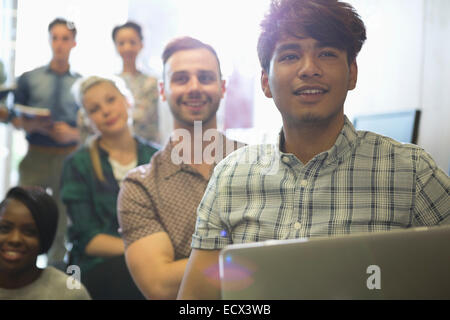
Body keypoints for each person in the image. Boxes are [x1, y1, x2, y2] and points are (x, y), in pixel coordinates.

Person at [177, 0, 450, 299]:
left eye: (327, 53)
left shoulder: (411, 172)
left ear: (352, 73)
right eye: (291, 55)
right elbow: (196, 300)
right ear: (266, 82)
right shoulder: (229, 177)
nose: (309, 69)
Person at [117, 36, 244, 299]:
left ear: (222, 87)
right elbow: (161, 286)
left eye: (206, 78)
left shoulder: (257, 163)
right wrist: (255, 252)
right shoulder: (140, 187)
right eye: (181, 78)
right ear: (163, 90)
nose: (194, 87)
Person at [60, 76, 158, 299]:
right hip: (97, 266)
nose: (106, 111)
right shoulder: (77, 164)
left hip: (153, 260)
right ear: (87, 120)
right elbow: (87, 239)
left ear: (127, 101)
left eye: (111, 100)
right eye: (95, 109)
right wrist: (140, 252)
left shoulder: (156, 158)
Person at [12, 18, 81, 264]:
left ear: (74, 42)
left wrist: (74, 133)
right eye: (55, 37)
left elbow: (89, 126)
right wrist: (28, 124)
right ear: (49, 40)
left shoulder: (81, 84)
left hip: (68, 159)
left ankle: (56, 276)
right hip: (35, 157)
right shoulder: (29, 78)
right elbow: (13, 116)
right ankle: (20, 267)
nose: (59, 44)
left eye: (65, 38)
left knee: (63, 220)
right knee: (24, 212)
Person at [0, 186, 91, 300]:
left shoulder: (68, 293)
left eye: (29, 232)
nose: (15, 239)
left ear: (44, 238)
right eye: (4, 228)